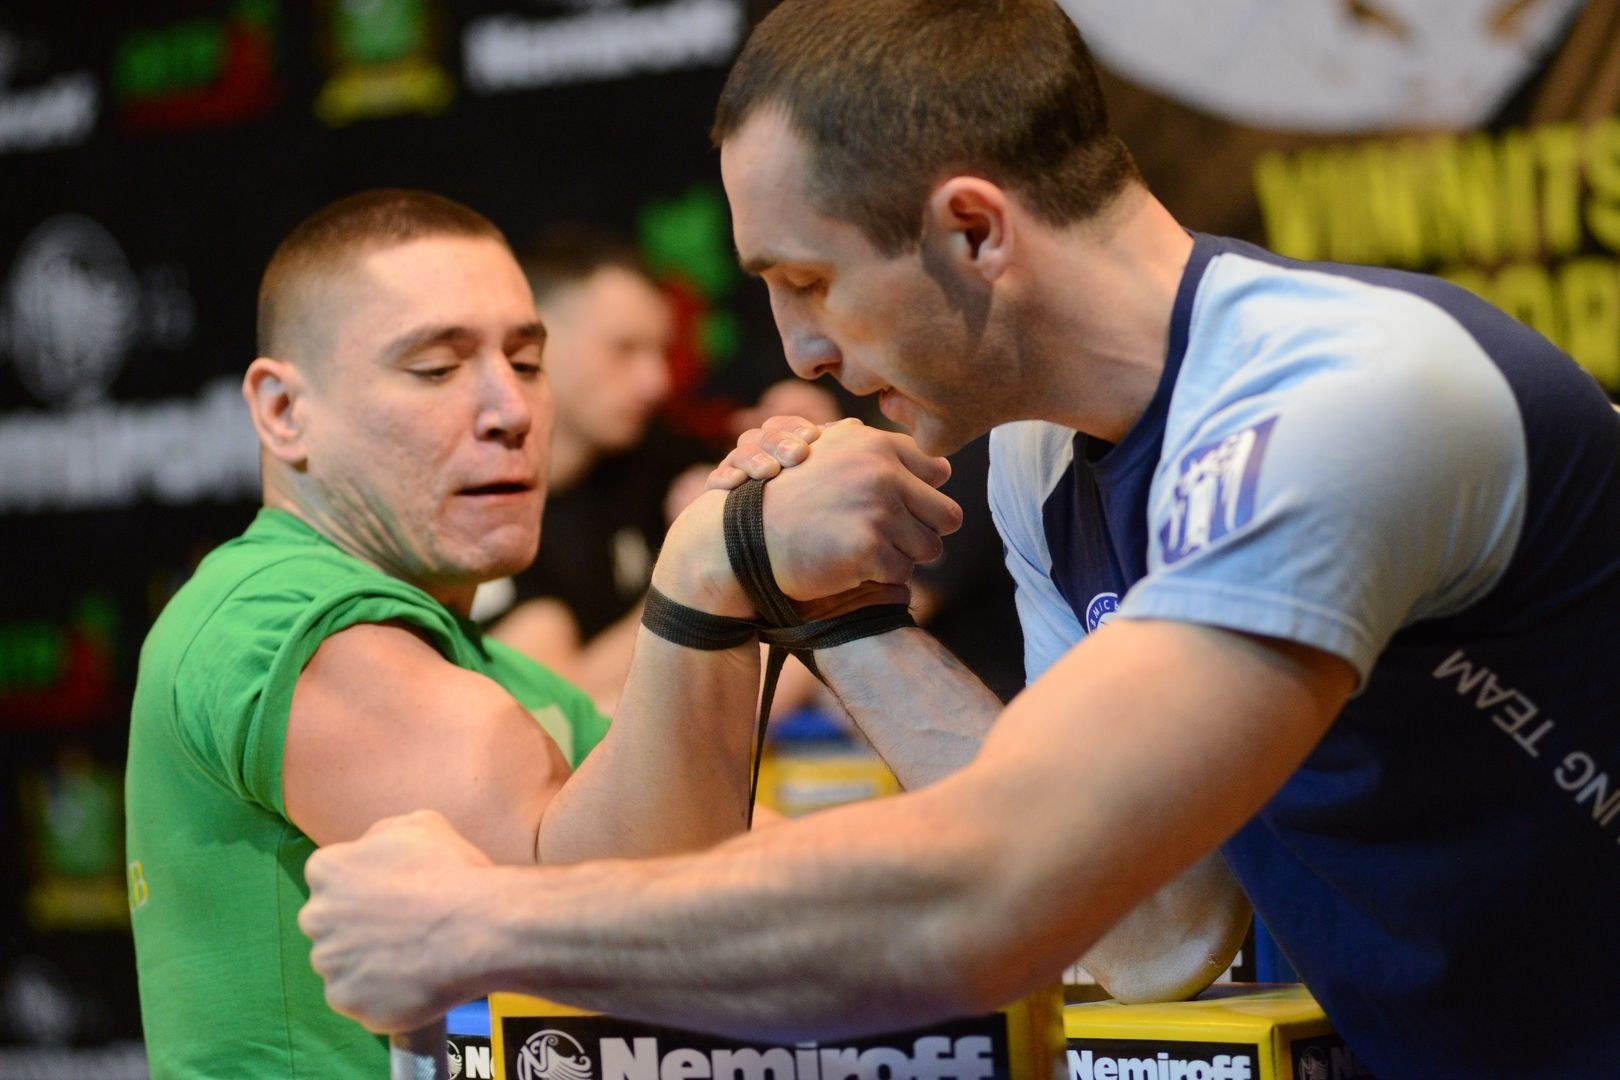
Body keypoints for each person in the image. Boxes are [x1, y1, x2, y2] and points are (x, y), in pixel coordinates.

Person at [298, 4, 1620, 1077]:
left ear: (975, 229)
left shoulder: (1341, 401)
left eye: (807, 282)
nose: (800, 351)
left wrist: (479, 921)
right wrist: (835, 614)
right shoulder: (1045, 459)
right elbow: (1152, 928)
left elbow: (999, 895)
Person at [125, 188, 952, 1078]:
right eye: (436, 369)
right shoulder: (276, 620)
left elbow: (746, 872)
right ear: (286, 411)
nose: (509, 411)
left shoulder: (491, 670)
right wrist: (711, 567)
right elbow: (590, 903)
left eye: (525, 362)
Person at [478, 226, 709, 711]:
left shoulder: (655, 462)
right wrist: (703, 567)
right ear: (532, 344)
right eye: (624, 349)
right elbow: (554, 712)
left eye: (660, 352)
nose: (657, 381)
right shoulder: (482, 509)